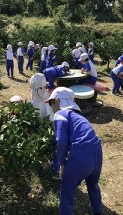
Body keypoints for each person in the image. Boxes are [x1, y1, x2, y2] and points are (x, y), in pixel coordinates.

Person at [46, 87, 103, 215]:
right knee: (93, 185)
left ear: (57, 101)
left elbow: (60, 141)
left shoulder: (60, 114)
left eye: (50, 103)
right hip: (97, 152)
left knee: (66, 191)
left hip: (80, 155)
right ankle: (97, 210)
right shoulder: (78, 116)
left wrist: (62, 163)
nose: (51, 107)